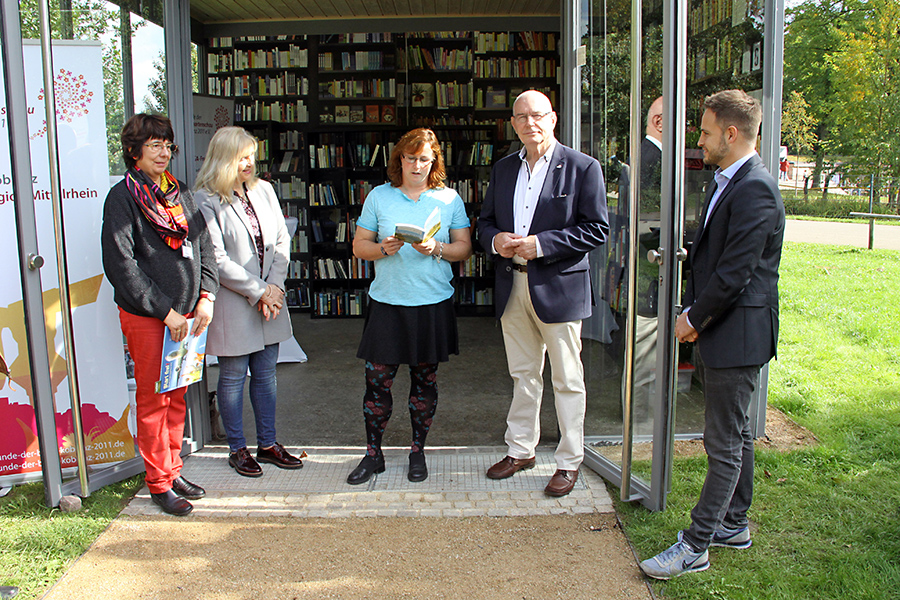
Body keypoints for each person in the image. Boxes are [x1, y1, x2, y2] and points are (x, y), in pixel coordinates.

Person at [639, 89, 785, 579]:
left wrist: (692, 318)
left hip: (737, 332)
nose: (696, 141)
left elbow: (735, 273)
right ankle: (734, 525)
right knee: (736, 434)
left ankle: (696, 544)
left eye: (703, 132)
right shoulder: (729, 180)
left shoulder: (756, 187)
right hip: (728, 328)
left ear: (730, 133)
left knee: (721, 441)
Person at [477, 90, 609, 497]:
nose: (529, 123)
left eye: (537, 115)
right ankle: (521, 450)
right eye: (520, 117)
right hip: (511, 284)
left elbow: (597, 228)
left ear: (553, 118)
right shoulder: (502, 169)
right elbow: (483, 222)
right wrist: (495, 240)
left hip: (558, 286)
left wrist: (544, 244)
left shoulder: (583, 167)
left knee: (568, 378)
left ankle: (569, 461)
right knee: (523, 375)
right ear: (513, 123)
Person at [101, 114, 218, 516]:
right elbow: (121, 265)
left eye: (167, 145)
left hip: (189, 316)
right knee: (154, 400)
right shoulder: (123, 198)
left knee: (178, 395)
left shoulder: (180, 193)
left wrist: (206, 297)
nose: (164, 152)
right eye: (154, 145)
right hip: (152, 317)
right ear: (134, 152)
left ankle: (173, 467)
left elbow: (204, 249)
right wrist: (165, 311)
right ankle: (158, 482)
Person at [348, 128, 472, 485]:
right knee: (377, 383)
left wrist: (438, 249)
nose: (416, 165)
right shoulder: (378, 197)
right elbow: (359, 246)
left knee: (424, 382)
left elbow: (463, 247)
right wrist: (381, 249)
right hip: (387, 303)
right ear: (399, 159)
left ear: (433, 161)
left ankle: (418, 451)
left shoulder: (449, 200)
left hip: (431, 302)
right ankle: (373, 455)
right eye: (410, 157)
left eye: (424, 158)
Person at [194, 126, 303, 478]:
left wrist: (275, 286)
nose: (249, 163)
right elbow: (215, 258)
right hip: (235, 302)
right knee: (232, 376)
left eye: (252, 156)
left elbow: (282, 240)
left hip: (270, 299)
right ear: (223, 157)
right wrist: (260, 290)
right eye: (242, 157)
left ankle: (268, 444)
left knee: (266, 374)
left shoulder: (264, 190)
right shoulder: (205, 199)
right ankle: (237, 448)